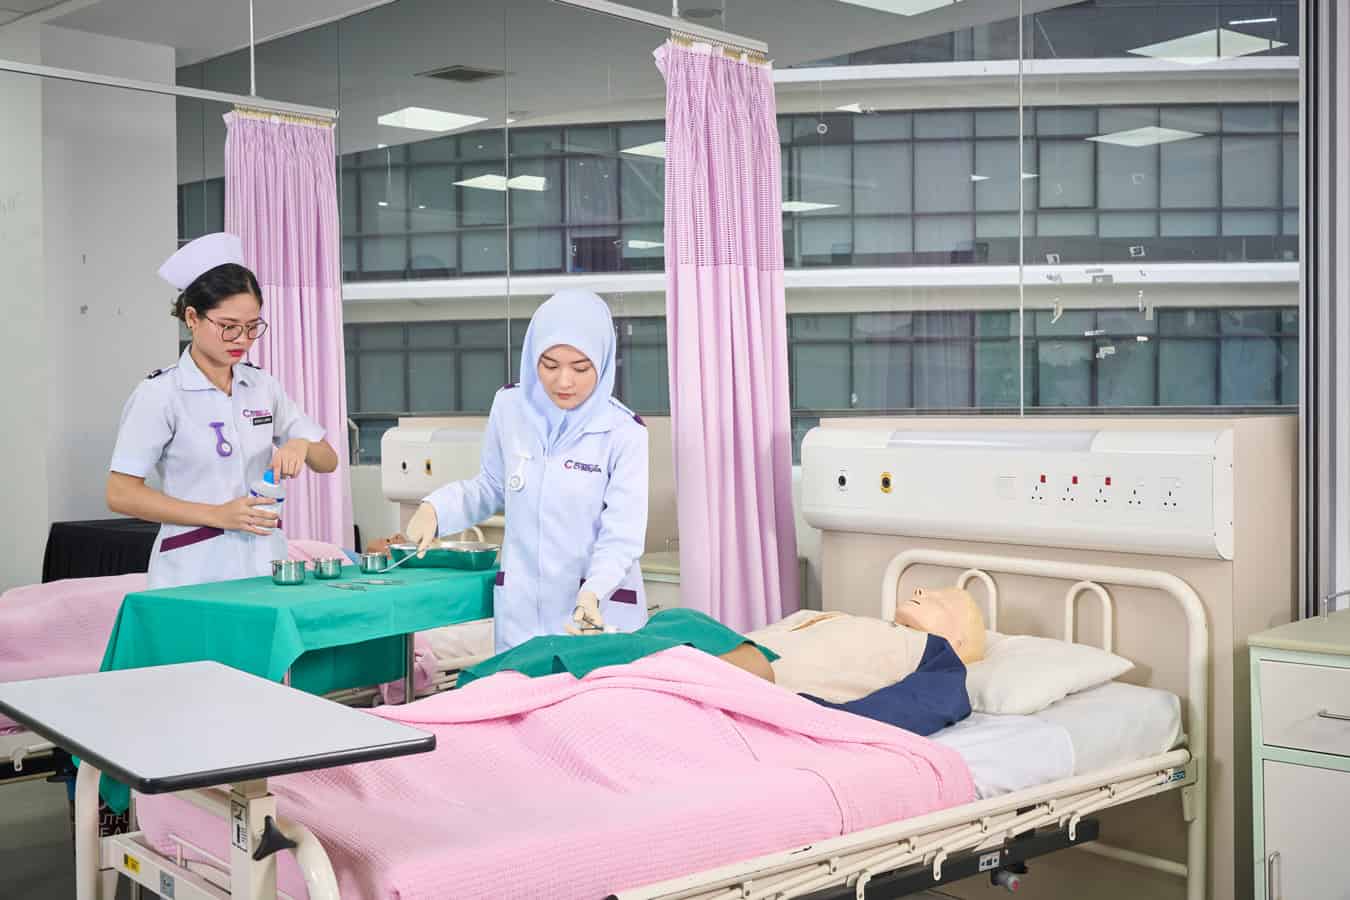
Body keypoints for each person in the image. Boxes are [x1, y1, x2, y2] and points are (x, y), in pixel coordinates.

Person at [407, 289, 649, 652]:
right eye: (549, 365)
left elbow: (622, 537)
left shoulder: (624, 433)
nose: (563, 381)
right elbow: (492, 485)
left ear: (603, 362)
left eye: (580, 368)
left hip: (594, 611)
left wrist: (593, 592)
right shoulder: (510, 407)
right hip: (521, 614)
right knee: (518, 684)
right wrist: (436, 509)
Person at [106, 233, 339, 589]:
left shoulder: (262, 386)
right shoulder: (160, 394)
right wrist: (216, 515)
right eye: (228, 327)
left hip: (264, 565)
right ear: (192, 317)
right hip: (193, 570)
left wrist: (301, 445)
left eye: (252, 327)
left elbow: (328, 461)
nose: (242, 340)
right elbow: (120, 493)